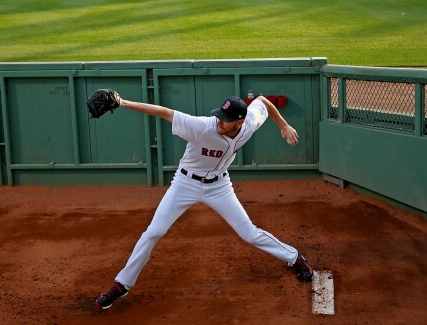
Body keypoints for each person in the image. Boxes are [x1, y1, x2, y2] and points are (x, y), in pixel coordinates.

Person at [94, 93, 314, 310]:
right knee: (154, 231)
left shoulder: (248, 124)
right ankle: (122, 285)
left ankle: (295, 257)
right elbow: (165, 113)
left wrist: (283, 126)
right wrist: (123, 102)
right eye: (219, 115)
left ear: (240, 121)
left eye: (225, 119)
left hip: (219, 187)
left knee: (249, 233)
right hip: (185, 184)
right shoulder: (202, 126)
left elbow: (263, 101)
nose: (219, 120)